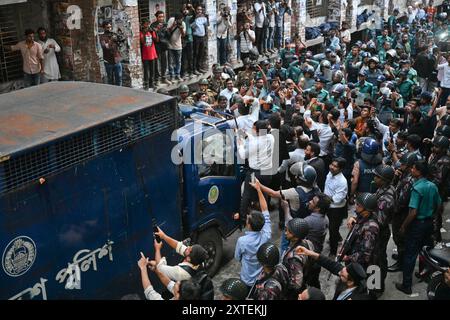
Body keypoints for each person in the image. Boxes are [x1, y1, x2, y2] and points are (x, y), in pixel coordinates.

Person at [396, 161, 441, 294]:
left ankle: (407, 285)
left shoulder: (416, 188)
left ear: (419, 172)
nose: (411, 170)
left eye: (413, 169)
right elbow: (439, 205)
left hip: (417, 225)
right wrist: (431, 215)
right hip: (428, 223)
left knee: (410, 255)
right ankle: (424, 275)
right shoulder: (432, 186)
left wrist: (404, 226)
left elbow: (413, 212)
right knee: (426, 251)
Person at [234, 178, 272, 288]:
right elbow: (265, 209)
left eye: (247, 219)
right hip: (261, 279)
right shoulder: (266, 235)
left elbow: (237, 257)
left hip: (247, 279)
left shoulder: (242, 241)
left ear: (249, 225)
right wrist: (259, 190)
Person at [296, 246, 371, 300]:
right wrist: (309, 253)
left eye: (342, 275)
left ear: (350, 282)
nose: (339, 273)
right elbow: (331, 264)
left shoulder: (359, 297)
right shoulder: (347, 275)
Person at [237, 120, 274, 225]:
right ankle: (265, 216)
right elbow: (256, 139)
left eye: (254, 128)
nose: (252, 129)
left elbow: (243, 155)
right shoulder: (271, 137)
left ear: (258, 131)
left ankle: (243, 219)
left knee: (246, 195)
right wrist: (246, 134)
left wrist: (240, 144)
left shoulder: (254, 143)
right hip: (267, 173)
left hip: (255, 173)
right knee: (263, 193)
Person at [388, 152, 418, 272]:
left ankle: (401, 263)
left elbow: (401, 201)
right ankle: (402, 256)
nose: (400, 166)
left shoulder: (409, 180)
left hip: (401, 214)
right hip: (400, 212)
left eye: (403, 165)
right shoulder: (404, 176)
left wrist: (393, 211)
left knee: (400, 237)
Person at [372, 164, 396, 295]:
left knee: (377, 260)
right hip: (379, 231)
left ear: (385, 180)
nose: (375, 178)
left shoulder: (387, 198)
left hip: (379, 232)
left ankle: (376, 288)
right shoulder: (383, 189)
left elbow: (380, 221)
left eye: (377, 177)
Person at [281, 217, 314, 299]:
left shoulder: (294, 258)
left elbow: (297, 284)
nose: (285, 233)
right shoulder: (308, 243)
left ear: (296, 237)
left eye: (288, 231)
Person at [345, 193, 380, 270]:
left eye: (358, 205)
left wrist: (347, 258)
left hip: (362, 267)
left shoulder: (371, 229)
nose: (355, 206)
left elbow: (365, 255)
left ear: (367, 210)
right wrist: (353, 218)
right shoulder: (364, 215)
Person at [427, 136, 450, 242]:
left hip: (438, 191)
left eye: (437, 147)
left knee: (435, 215)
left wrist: (426, 187)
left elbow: (438, 180)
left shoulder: (444, 161)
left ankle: (435, 240)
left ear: (444, 149)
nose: (434, 148)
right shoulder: (437, 156)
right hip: (434, 190)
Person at [324, 158, 348, 257]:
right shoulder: (330, 174)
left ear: (341, 169)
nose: (332, 167)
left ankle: (333, 252)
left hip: (336, 209)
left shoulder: (342, 181)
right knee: (331, 227)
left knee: (333, 230)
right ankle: (339, 239)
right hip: (328, 205)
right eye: (332, 164)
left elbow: (337, 199)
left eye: (335, 166)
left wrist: (324, 198)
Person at [99, 21, 123, 86]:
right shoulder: (102, 37)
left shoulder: (114, 34)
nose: (109, 29)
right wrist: (111, 40)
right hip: (108, 61)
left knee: (119, 79)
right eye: (107, 27)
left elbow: (121, 43)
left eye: (110, 27)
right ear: (104, 28)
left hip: (117, 60)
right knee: (110, 80)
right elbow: (105, 47)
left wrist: (119, 38)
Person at [151, 11, 171, 86]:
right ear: (157, 17)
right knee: (157, 63)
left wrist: (168, 31)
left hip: (164, 46)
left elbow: (168, 36)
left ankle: (164, 78)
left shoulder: (165, 24)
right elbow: (153, 37)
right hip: (157, 46)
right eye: (160, 17)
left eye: (162, 16)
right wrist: (158, 30)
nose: (161, 18)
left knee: (164, 63)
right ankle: (157, 79)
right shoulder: (153, 25)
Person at [167, 13, 186, 82]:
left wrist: (181, 28)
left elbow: (183, 35)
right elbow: (168, 31)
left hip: (178, 46)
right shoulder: (171, 20)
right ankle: (172, 76)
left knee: (178, 61)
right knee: (171, 62)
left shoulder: (183, 24)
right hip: (170, 45)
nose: (179, 21)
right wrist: (173, 25)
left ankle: (177, 75)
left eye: (180, 20)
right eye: (177, 20)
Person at [140, 19, 158, 90]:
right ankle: (146, 83)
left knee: (152, 70)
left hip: (152, 53)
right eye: (146, 24)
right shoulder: (141, 33)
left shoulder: (151, 31)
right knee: (146, 70)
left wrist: (155, 32)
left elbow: (156, 40)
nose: (147, 25)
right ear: (143, 25)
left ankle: (152, 83)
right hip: (145, 54)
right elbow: (142, 41)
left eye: (148, 24)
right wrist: (145, 33)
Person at [192, 5, 209, 74]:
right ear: (195, 10)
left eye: (200, 10)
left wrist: (206, 18)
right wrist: (196, 19)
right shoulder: (193, 17)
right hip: (196, 37)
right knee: (195, 53)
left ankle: (199, 68)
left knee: (201, 53)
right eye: (198, 10)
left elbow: (206, 25)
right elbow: (192, 27)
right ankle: (194, 69)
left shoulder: (203, 17)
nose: (199, 11)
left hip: (202, 37)